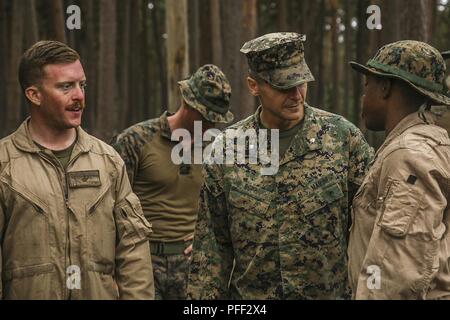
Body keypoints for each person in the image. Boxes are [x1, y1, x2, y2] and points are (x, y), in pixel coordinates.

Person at [187, 32, 374, 300]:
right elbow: (211, 248)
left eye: (301, 83)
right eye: (284, 86)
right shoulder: (227, 149)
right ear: (254, 86)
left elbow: (374, 226)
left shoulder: (342, 138)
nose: (297, 95)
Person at [0, 40, 154, 300]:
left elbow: (133, 249)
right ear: (34, 95)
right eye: (65, 87)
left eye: (81, 85)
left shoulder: (108, 162)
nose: (79, 96)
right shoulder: (5, 165)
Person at [111, 64, 233, 300]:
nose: (209, 126)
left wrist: (207, 241)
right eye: (205, 117)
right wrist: (112, 268)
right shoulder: (136, 140)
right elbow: (109, 207)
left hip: (192, 268)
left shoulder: (217, 149)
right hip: (141, 264)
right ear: (186, 102)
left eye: (214, 121)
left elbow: (226, 208)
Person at [348, 40, 450, 299]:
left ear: (384, 87)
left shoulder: (408, 154)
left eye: (366, 87)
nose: (363, 98)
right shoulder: (435, 142)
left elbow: (396, 272)